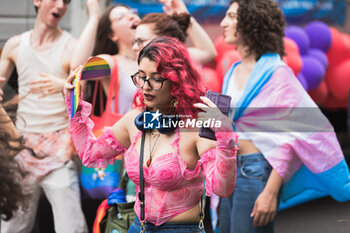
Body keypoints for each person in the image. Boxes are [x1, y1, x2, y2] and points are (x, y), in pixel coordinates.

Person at [64, 37, 238, 233]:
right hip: (139, 227)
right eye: (141, 76)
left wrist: (226, 139)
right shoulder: (135, 120)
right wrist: (75, 109)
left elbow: (223, 189)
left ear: (177, 80)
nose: (145, 86)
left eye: (155, 79)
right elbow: (90, 153)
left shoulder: (196, 125)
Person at [219, 1, 350, 233]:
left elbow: (291, 138)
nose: (223, 23)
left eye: (231, 16)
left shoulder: (277, 74)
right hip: (228, 169)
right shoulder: (231, 70)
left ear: (252, 23)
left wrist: (270, 193)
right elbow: (226, 123)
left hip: (255, 171)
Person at [0, 0, 102, 232]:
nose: (61, 6)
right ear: (37, 1)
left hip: (59, 145)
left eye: (66, 1)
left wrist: (94, 16)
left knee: (72, 226)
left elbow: (79, 85)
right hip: (21, 146)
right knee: (12, 226)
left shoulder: (70, 45)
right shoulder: (16, 44)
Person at [132, 0, 217, 65]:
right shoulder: (126, 67)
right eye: (135, 42)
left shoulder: (177, 61)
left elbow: (208, 52)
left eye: (141, 41)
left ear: (166, 41)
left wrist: (185, 16)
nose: (134, 47)